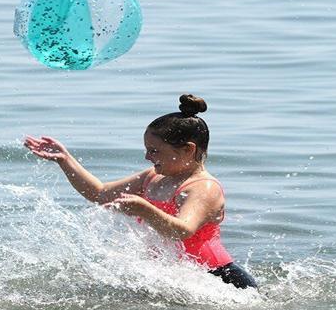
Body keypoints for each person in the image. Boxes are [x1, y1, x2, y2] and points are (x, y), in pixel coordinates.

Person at [24, 94, 258, 288]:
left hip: (217, 280)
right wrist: (65, 160)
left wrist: (144, 209)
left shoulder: (204, 188)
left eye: (155, 151)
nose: (147, 157)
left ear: (188, 150)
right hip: (176, 278)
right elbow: (99, 192)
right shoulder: (152, 177)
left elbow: (183, 230)